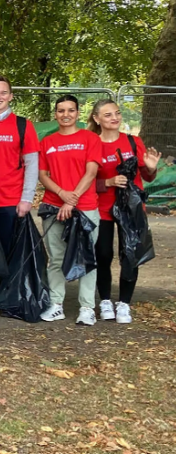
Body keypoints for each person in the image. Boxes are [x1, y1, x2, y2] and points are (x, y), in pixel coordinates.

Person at [89, 99, 160, 324]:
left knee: (130, 255)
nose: (115, 118)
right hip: (102, 208)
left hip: (131, 209)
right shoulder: (92, 143)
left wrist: (151, 168)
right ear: (97, 119)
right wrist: (107, 182)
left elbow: (147, 177)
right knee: (103, 255)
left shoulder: (133, 141)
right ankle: (106, 301)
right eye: (108, 115)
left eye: (117, 113)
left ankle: (124, 304)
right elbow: (85, 180)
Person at [37, 95, 102, 325]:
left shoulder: (90, 138)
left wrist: (71, 200)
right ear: (55, 114)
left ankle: (87, 308)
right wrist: (62, 195)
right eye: (61, 110)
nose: (66, 114)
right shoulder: (47, 142)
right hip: (54, 208)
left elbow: (91, 172)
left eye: (71, 110)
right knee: (56, 258)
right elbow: (43, 175)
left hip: (84, 208)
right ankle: (56, 304)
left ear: (77, 112)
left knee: (86, 257)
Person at [0, 76, 39, 309]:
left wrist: (26, 199)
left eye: (3, 93)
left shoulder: (23, 125)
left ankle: (5, 297)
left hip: (10, 201)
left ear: (11, 96)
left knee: (6, 251)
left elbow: (32, 164)